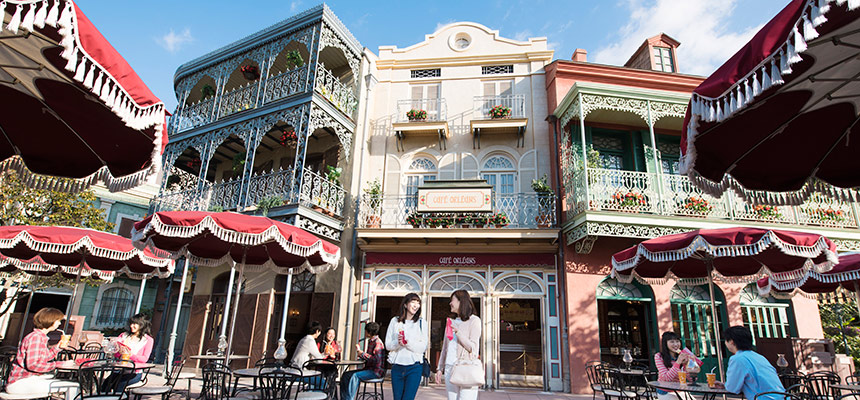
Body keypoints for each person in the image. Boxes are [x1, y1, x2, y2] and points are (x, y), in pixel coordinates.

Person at [6, 308, 78, 400]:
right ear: (50, 321)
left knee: (62, 382)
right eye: (58, 321)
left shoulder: (40, 337)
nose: (60, 323)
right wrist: (60, 364)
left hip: (25, 380)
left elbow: (44, 358)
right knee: (73, 386)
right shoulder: (36, 338)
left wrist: (57, 348)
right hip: (20, 383)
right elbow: (33, 365)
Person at [436, 289, 482, 400]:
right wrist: (439, 368)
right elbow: (445, 348)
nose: (450, 303)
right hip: (449, 368)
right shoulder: (451, 322)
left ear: (461, 301)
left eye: (452, 300)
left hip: (466, 367)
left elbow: (473, 348)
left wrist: (458, 332)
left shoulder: (474, 321)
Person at [723, 326, 785, 400]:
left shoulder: (738, 359)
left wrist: (727, 385)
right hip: (781, 396)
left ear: (731, 342)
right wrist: (724, 385)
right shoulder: (758, 357)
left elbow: (732, 388)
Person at [385, 293, 427, 400]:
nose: (416, 305)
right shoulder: (395, 321)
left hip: (414, 367)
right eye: (413, 302)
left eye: (418, 303)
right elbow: (388, 345)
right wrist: (398, 343)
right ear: (405, 304)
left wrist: (407, 343)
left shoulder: (422, 323)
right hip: (397, 367)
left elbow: (422, 347)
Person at [340, 322, 385, 400]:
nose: (365, 333)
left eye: (366, 331)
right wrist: (360, 354)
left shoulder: (378, 343)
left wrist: (363, 354)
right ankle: (344, 398)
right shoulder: (370, 341)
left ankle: (349, 399)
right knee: (346, 375)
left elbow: (376, 360)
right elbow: (369, 358)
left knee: (355, 376)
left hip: (375, 372)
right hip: (368, 369)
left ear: (370, 332)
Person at [110, 313, 154, 392]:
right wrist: (119, 352)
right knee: (105, 386)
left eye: (135, 324)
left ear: (142, 325)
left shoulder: (147, 340)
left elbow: (144, 359)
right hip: (119, 370)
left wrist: (130, 355)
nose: (131, 326)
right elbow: (116, 354)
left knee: (119, 387)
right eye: (131, 323)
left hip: (134, 373)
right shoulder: (124, 336)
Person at [654, 332, 702, 400]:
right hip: (665, 391)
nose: (676, 344)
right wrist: (678, 362)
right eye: (672, 342)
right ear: (665, 343)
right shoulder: (659, 356)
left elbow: (691, 380)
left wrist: (687, 364)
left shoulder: (683, 356)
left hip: (681, 390)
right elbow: (666, 378)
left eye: (677, 341)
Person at [290, 321, 326, 390]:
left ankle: (310, 394)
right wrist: (325, 354)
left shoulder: (304, 339)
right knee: (322, 382)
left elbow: (314, 358)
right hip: (299, 373)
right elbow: (319, 361)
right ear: (317, 331)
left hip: (294, 370)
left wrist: (324, 354)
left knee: (316, 380)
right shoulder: (310, 341)